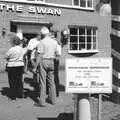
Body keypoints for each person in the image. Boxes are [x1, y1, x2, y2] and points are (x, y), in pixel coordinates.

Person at [34, 26, 61, 107]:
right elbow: (57, 54)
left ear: (42, 34)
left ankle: (42, 102)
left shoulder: (41, 42)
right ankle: (53, 100)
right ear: (48, 33)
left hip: (44, 61)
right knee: (52, 82)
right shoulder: (54, 42)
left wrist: (35, 66)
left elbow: (39, 55)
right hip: (52, 61)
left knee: (43, 82)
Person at [5, 33, 26, 100]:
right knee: (19, 80)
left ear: (13, 42)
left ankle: (13, 97)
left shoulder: (12, 49)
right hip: (20, 66)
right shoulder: (21, 49)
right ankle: (20, 94)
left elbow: (6, 56)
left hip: (12, 66)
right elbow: (24, 54)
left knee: (12, 81)